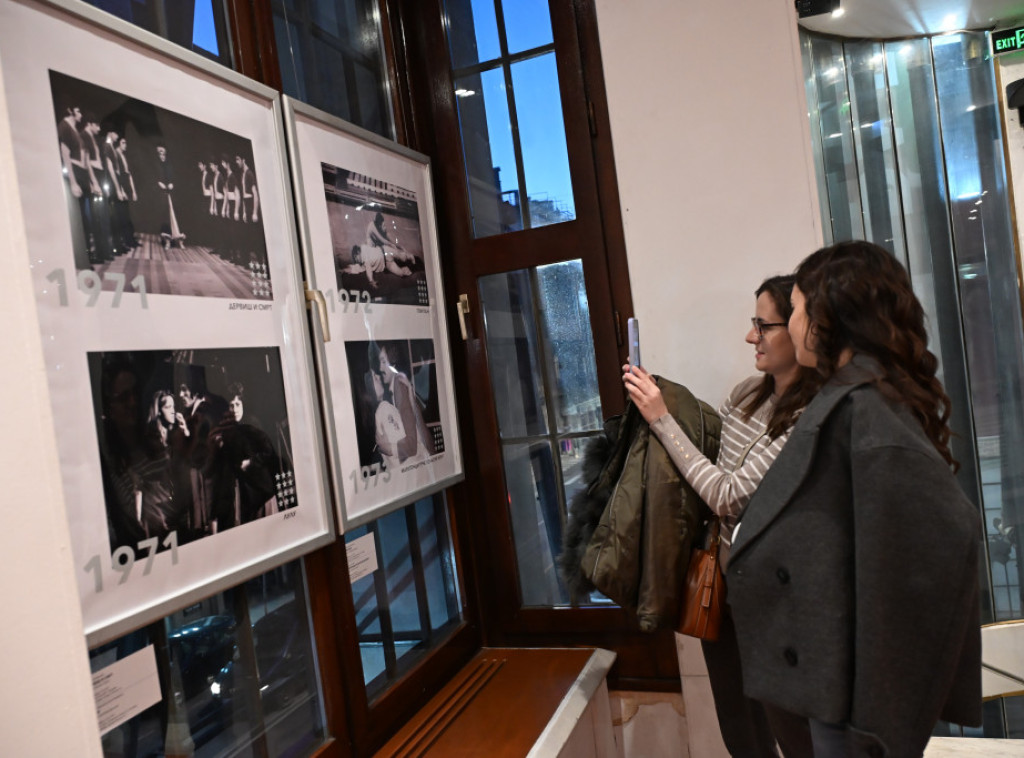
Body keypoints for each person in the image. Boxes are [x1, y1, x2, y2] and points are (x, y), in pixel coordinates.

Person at [726, 241, 982, 758]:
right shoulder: (847, 398)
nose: (792, 322)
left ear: (826, 316)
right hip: (828, 679)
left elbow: (938, 544)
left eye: (795, 308)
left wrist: (878, 723)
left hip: (850, 700)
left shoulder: (864, 410)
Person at [622, 275, 821, 758]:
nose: (751, 335)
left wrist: (661, 418)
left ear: (800, 331)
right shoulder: (746, 394)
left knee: (791, 728)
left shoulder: (808, 418)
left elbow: (725, 494)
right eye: (753, 323)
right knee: (738, 722)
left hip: (773, 597)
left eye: (764, 324)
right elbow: (714, 467)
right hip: (722, 581)